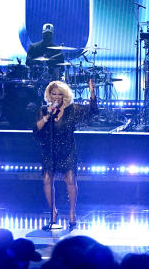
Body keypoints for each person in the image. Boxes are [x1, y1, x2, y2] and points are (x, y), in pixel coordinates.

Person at [34, 79, 97, 231]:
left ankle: (72, 213)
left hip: (68, 149)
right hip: (49, 150)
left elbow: (92, 112)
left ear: (65, 96)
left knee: (70, 179)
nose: (56, 97)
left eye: (59, 94)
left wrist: (92, 94)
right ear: (49, 95)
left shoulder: (73, 109)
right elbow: (36, 130)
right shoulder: (44, 110)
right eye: (53, 94)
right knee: (47, 180)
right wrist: (47, 116)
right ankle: (53, 213)